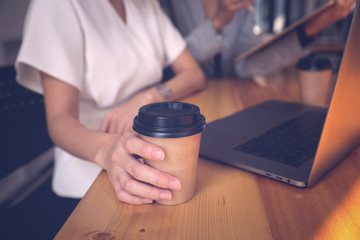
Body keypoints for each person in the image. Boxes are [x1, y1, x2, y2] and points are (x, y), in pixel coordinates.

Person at [15, 0, 205, 205]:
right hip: (93, 158)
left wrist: (149, 97)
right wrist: (107, 151)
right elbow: (59, 119)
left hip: (152, 144)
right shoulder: (55, 5)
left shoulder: (146, 4)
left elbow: (194, 74)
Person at [159, 0, 355, 78]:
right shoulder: (163, 4)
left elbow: (244, 65)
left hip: (228, 103)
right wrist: (217, 22)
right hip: (180, 110)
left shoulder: (241, 4)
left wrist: (312, 28)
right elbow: (168, 67)